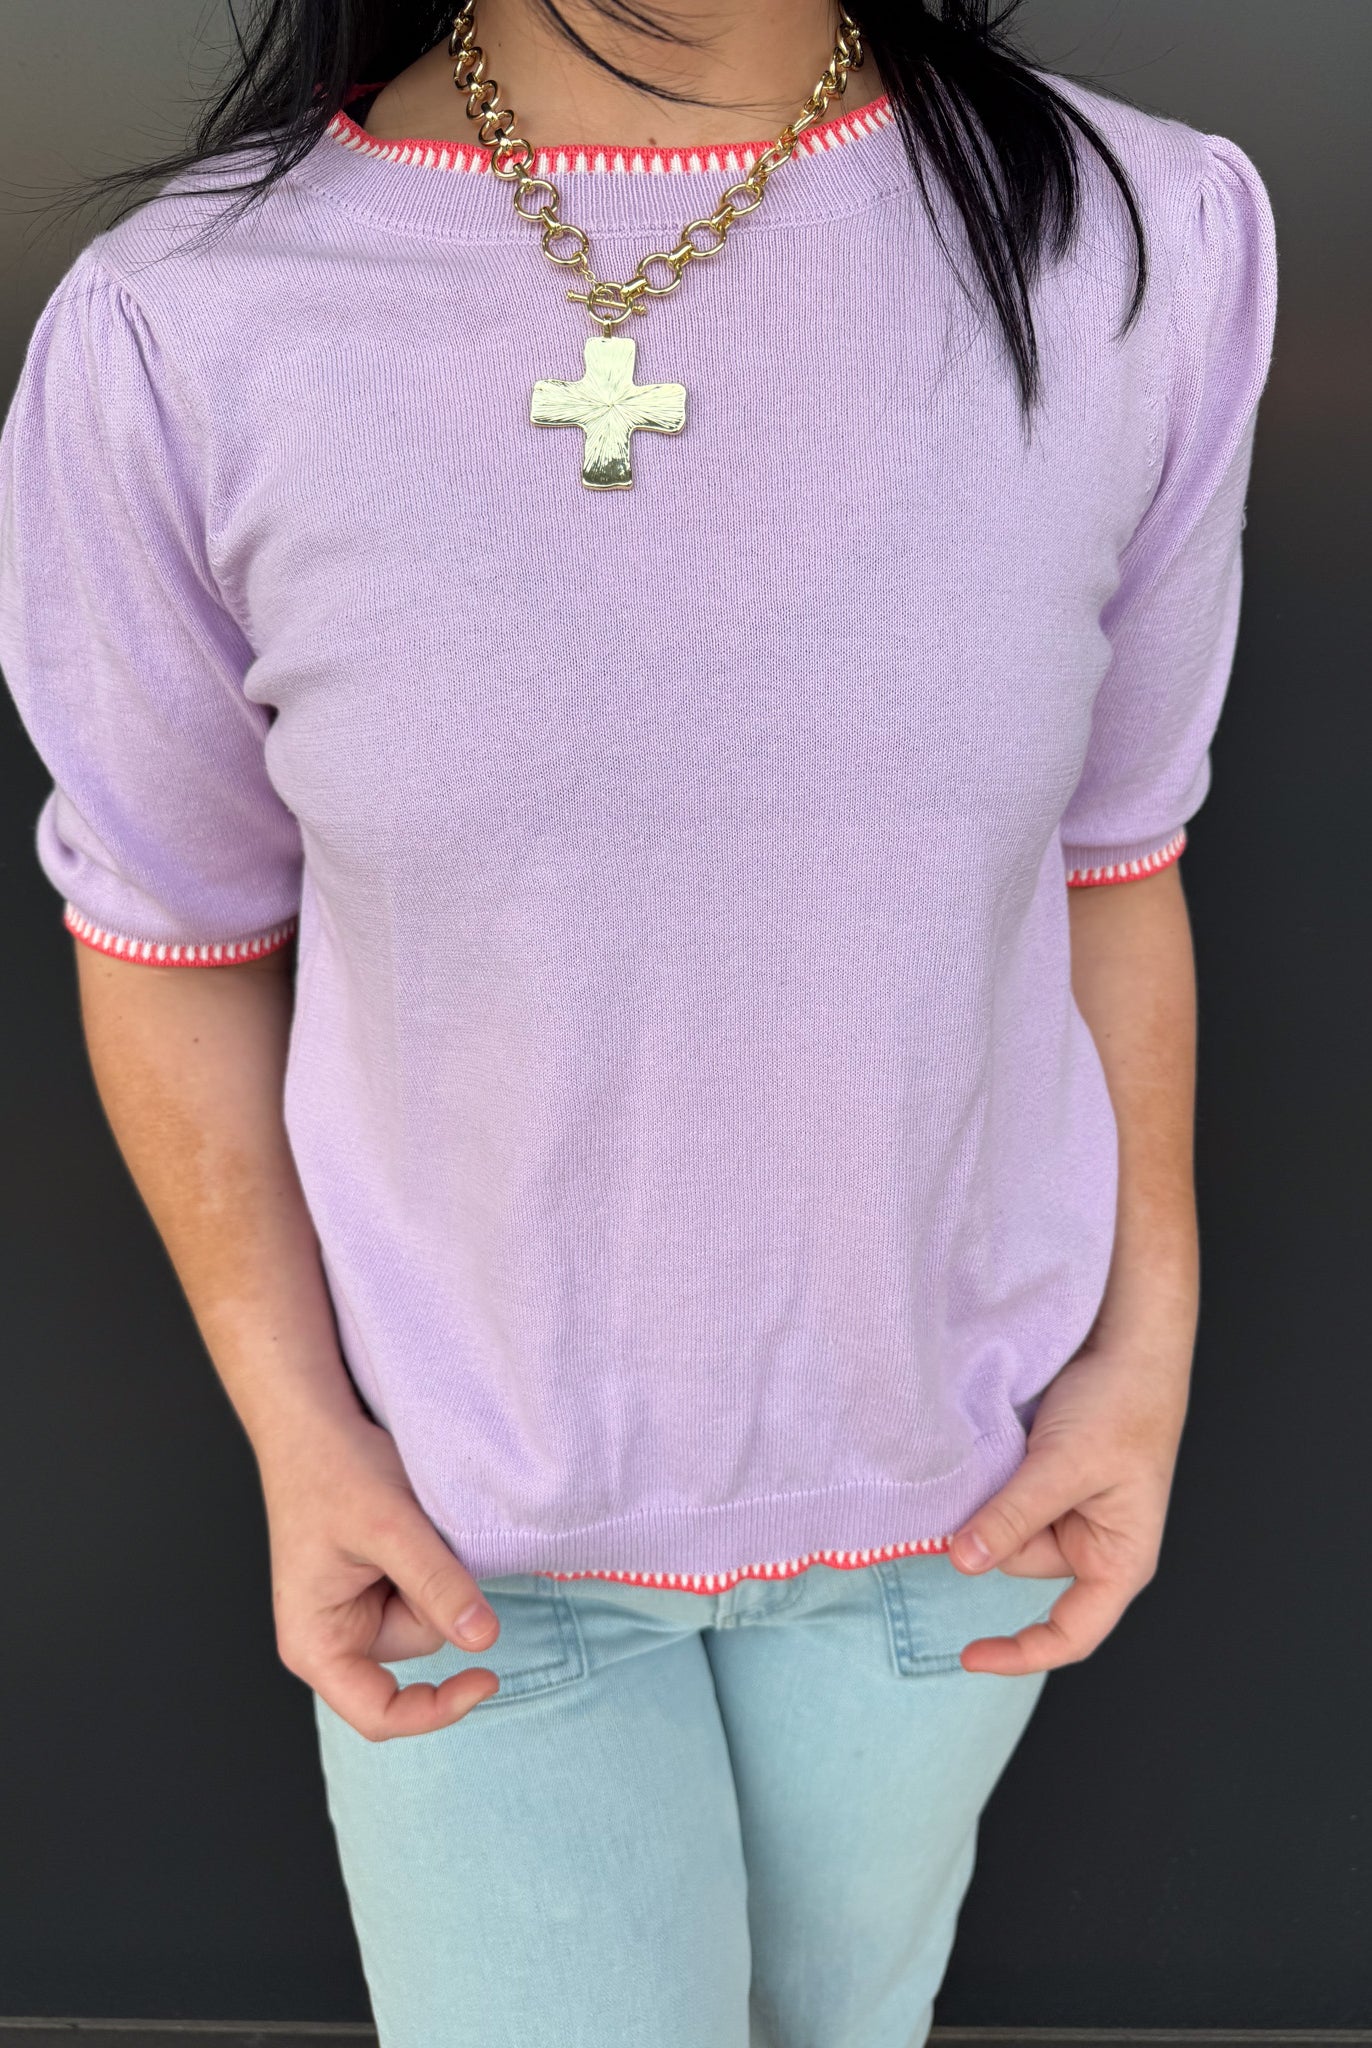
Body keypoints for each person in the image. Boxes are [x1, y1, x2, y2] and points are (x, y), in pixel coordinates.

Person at [0, 1, 1278, 2042]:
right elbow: (172, 934)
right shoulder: (192, 325)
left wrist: (1149, 1346)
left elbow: (1113, 856)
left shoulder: (1140, 235)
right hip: (461, 1531)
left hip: (967, 1501)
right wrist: (300, 1434)